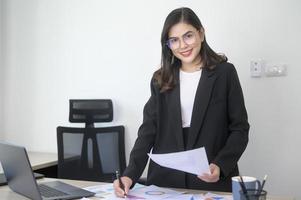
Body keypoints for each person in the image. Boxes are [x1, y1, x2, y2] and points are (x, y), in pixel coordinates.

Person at [114, 7, 249, 197]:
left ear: (201, 34)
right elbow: (147, 132)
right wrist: (129, 175)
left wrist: (220, 164)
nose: (183, 45)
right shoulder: (160, 79)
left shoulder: (224, 73)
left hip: (211, 181)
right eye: (174, 40)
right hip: (165, 183)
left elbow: (240, 129)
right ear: (168, 44)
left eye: (188, 36)